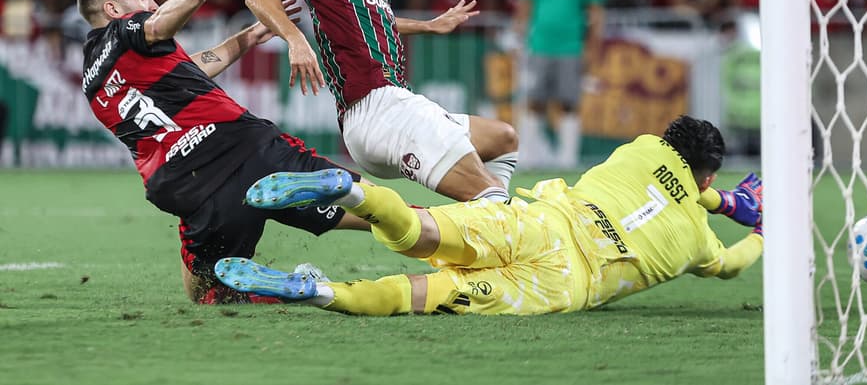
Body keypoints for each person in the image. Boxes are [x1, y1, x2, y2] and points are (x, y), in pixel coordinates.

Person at [215, 115, 764, 315]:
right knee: (420, 294)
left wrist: (718, 198)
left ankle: (350, 191)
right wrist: (762, 229)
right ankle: (317, 292)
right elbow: (731, 261)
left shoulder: (642, 148)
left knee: (421, 229)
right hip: (562, 283)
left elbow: (672, 182)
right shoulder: (698, 242)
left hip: (541, 220)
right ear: (709, 177)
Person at [77, 0, 369, 304]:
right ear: (112, 9)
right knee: (371, 208)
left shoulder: (94, 78)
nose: (152, 2)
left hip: (188, 183)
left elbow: (192, 69)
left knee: (207, 292)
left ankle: (299, 291)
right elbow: (156, 25)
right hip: (241, 147)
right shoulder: (125, 31)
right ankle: (437, 231)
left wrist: (249, 37)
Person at [245, 0, 518, 203]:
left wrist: (429, 25)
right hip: (378, 110)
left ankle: (354, 195)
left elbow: (377, 20)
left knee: (502, 139)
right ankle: (490, 228)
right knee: (490, 198)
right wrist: (296, 40)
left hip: (389, 111)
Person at [515, 0, 606, 169]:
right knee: (533, 101)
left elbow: (596, 12)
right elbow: (525, 1)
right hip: (538, 45)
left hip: (571, 47)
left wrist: (592, 49)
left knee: (569, 103)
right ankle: (527, 159)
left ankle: (568, 160)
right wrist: (519, 36)